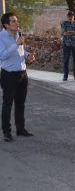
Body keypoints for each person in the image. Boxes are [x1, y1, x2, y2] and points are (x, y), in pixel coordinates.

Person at [0, 13, 35, 141]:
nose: (17, 23)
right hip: (8, 75)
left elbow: (20, 50)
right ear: (6, 25)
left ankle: (20, 129)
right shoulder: (1, 37)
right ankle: (6, 132)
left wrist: (27, 55)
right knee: (7, 104)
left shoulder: (18, 34)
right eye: (13, 21)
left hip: (22, 74)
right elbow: (2, 56)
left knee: (20, 104)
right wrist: (16, 44)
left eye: (17, 21)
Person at [61, 11, 75, 81]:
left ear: (73, 16)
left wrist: (71, 32)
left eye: (72, 16)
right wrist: (74, 32)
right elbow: (64, 33)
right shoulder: (64, 23)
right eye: (69, 16)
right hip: (66, 44)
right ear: (67, 16)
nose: (70, 17)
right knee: (66, 60)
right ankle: (65, 76)